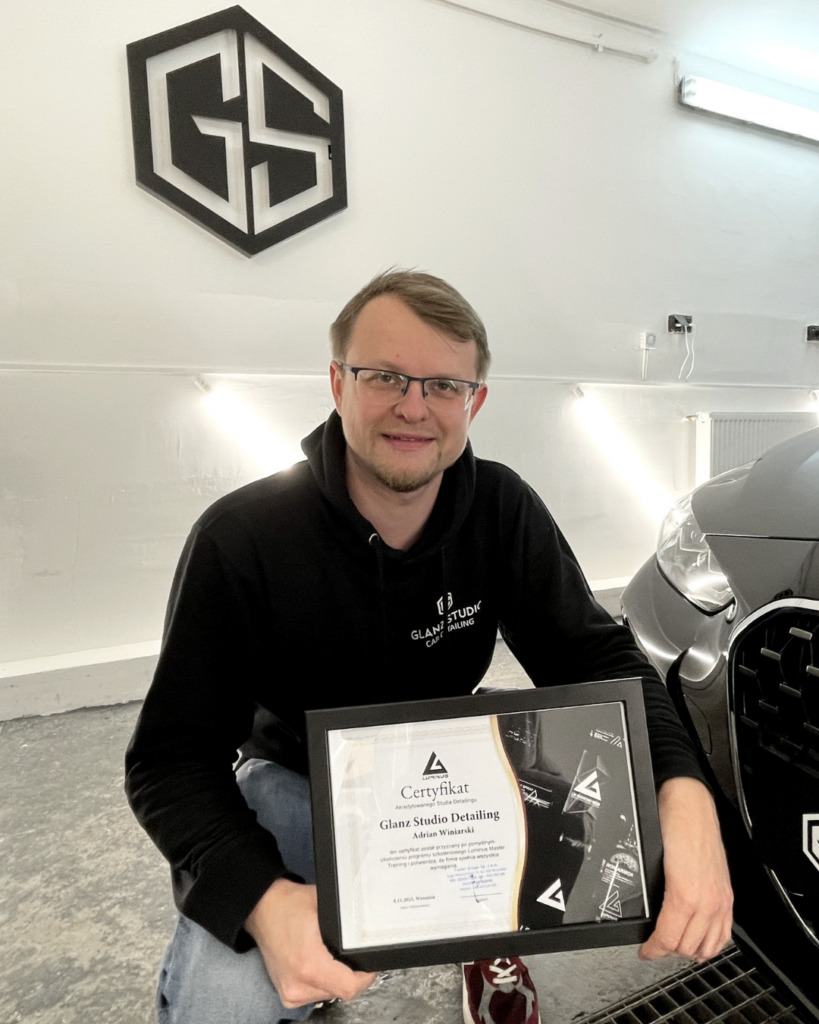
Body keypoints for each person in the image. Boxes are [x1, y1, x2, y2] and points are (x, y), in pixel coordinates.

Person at [125, 270, 733, 1024]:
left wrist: (685, 792)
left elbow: (597, 659)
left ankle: (482, 927)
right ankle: (333, 938)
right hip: (297, 779)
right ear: (338, 383)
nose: (414, 407)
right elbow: (169, 761)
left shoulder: (501, 509)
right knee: (223, 1006)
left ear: (473, 401)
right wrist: (264, 901)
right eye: (384, 376)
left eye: (444, 385)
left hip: (462, 772)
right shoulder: (241, 537)